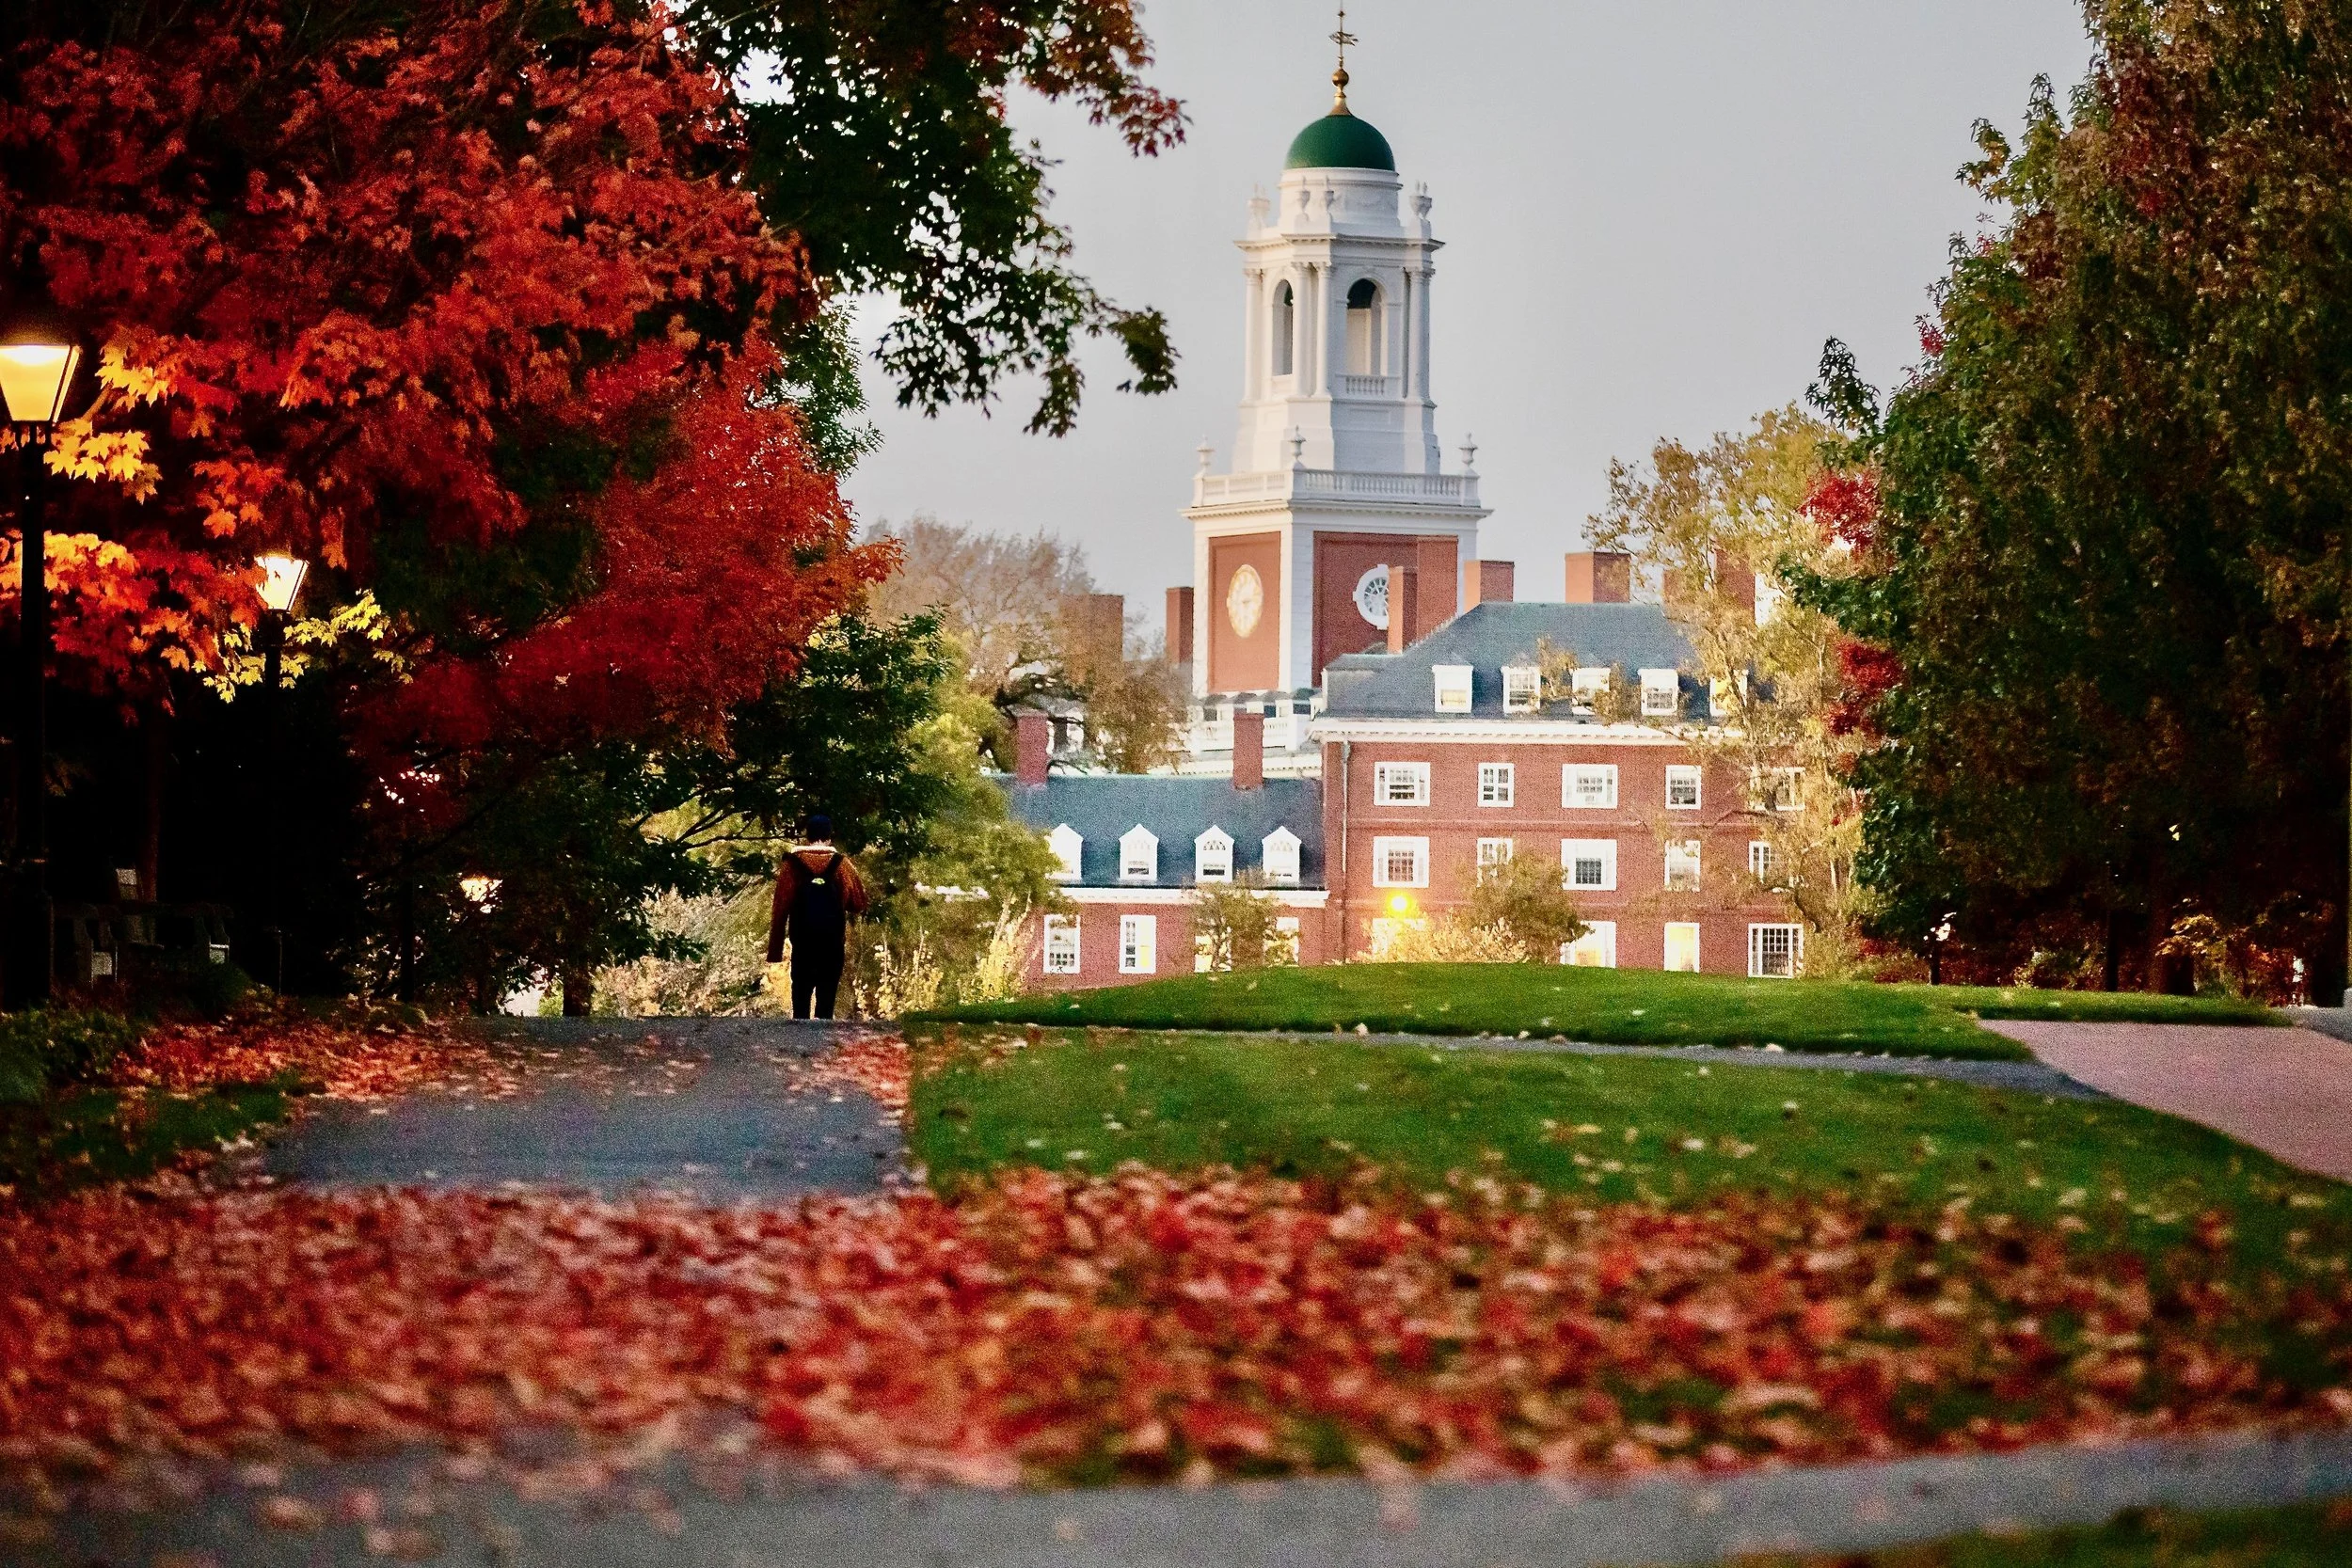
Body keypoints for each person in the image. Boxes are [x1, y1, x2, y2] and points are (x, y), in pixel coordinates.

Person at [765, 816, 868, 1020]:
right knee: (826, 1000)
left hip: (803, 943)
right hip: (832, 943)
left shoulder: (792, 864)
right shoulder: (842, 864)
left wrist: (775, 952)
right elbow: (859, 903)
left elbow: (780, 908)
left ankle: (800, 1045)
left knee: (801, 998)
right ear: (829, 837)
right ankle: (823, 1047)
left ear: (807, 837)